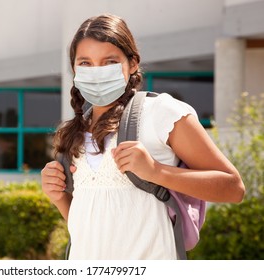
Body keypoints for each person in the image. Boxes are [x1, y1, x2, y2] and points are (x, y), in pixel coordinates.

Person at [41, 14, 245, 260]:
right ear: (74, 68)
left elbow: (234, 189)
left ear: (133, 63)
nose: (97, 72)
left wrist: (156, 171)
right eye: (85, 63)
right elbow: (88, 223)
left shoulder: (162, 112)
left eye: (109, 62)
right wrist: (59, 197)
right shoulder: (72, 131)